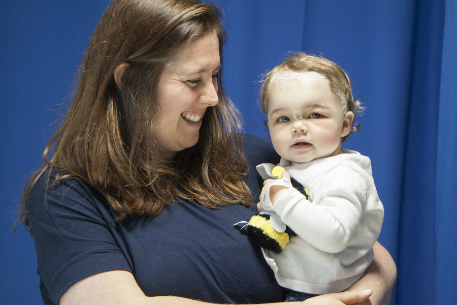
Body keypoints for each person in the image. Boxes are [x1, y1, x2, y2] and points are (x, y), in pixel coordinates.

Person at [17, 1, 396, 304]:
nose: (213, 97)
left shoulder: (256, 159)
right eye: (193, 80)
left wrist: (360, 298)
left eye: (214, 76)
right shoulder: (66, 195)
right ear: (129, 80)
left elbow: (365, 251)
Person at [251, 52, 384, 302]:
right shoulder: (291, 166)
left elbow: (335, 236)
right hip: (294, 285)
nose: (298, 126)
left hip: (323, 292)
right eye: (283, 118)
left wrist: (282, 199)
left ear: (345, 125)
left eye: (315, 115)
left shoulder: (344, 173)